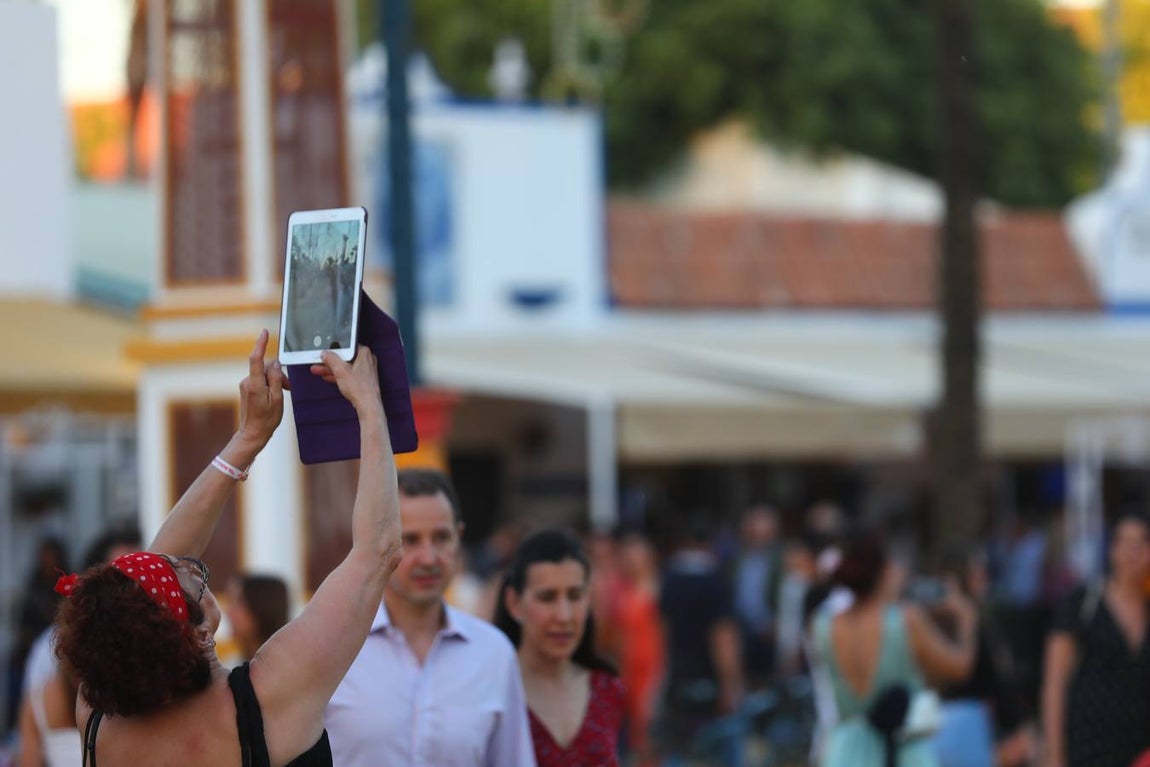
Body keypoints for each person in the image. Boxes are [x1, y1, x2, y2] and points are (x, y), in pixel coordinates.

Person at [52, 331, 402, 767]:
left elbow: (148, 595)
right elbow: (377, 553)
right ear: (200, 633)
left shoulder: (97, 718)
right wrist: (369, 405)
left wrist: (250, 437)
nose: (190, 563)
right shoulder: (268, 699)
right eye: (194, 580)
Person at [324, 469, 536, 767]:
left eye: (441, 538)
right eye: (410, 539)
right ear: (380, 543)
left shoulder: (493, 654)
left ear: (458, 537)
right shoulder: (334, 651)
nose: (428, 558)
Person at [810, 533, 978, 767]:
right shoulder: (905, 620)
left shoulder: (823, 624)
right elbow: (959, 668)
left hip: (844, 751)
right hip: (903, 752)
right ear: (882, 572)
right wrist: (966, 621)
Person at [493, 529, 626, 767]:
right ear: (514, 602)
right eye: (547, 597)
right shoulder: (492, 691)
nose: (564, 616)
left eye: (575, 596)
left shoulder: (608, 689)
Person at [1042, 512, 1150, 767]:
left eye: (1141, 544)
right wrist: (1054, 756)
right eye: (1124, 543)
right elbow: (1055, 684)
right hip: (1088, 748)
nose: (1132, 553)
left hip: (1139, 750)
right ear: (1112, 549)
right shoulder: (1083, 602)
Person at [655, 518, 744, 767]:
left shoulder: (670, 578)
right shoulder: (716, 581)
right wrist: (731, 683)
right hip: (709, 681)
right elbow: (723, 636)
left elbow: (661, 630)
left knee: (677, 749)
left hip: (677, 677)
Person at [934, 547, 1033, 767]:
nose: (983, 574)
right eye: (975, 569)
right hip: (971, 733)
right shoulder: (963, 625)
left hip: (978, 731)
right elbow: (993, 679)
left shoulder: (984, 618)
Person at [225, 574, 291, 662]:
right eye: (230, 602)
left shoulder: (294, 667)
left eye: (239, 602)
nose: (228, 612)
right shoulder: (231, 666)